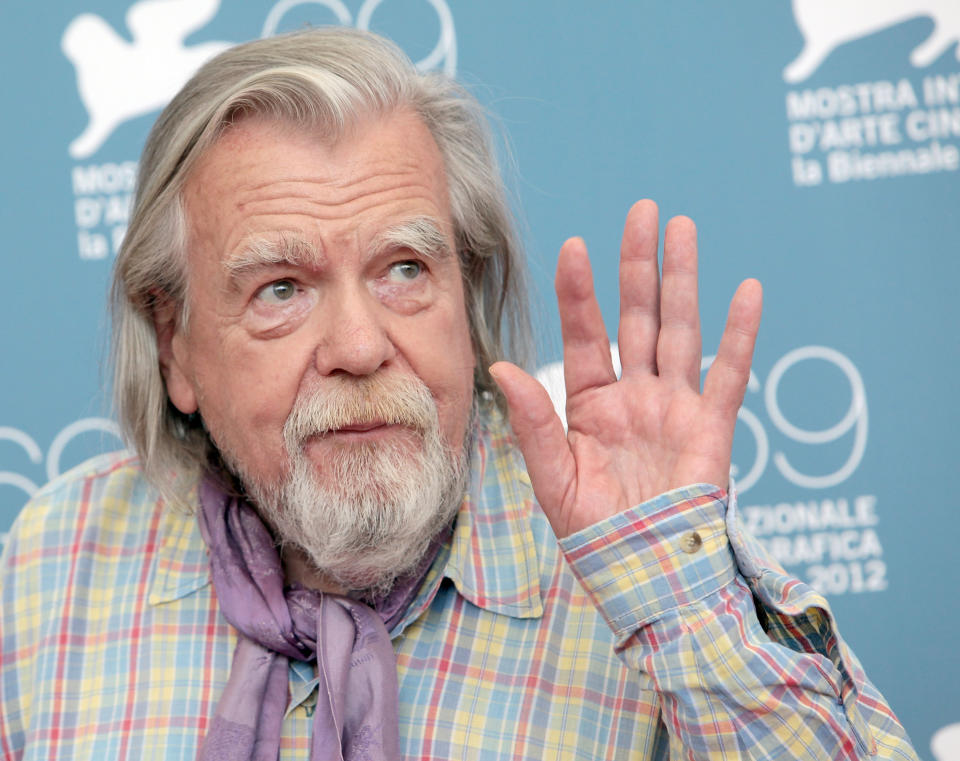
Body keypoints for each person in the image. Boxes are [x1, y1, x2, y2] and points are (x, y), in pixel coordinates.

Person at [0, 27, 917, 761]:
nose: (360, 347)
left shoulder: (628, 554)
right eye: (280, 288)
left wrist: (674, 594)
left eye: (405, 268)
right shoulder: (53, 564)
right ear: (176, 346)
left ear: (467, 296)